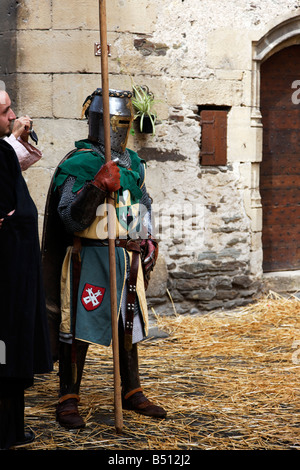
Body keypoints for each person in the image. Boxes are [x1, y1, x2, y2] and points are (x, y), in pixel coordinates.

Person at [42, 88, 166, 430]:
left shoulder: (134, 163)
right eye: (115, 122)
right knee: (78, 326)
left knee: (129, 324)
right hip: (90, 258)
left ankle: (132, 390)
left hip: (127, 257)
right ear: (96, 122)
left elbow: (142, 202)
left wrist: (147, 237)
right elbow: (70, 218)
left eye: (125, 122)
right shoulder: (78, 163)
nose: (120, 129)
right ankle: (68, 397)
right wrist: (97, 185)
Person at [0, 91, 53, 450]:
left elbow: (10, 165)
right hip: (4, 276)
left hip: (14, 273)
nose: (13, 115)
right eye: (6, 111)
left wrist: (13, 140)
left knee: (11, 350)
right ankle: (4, 435)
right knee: (3, 352)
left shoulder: (2, 150)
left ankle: (12, 431)